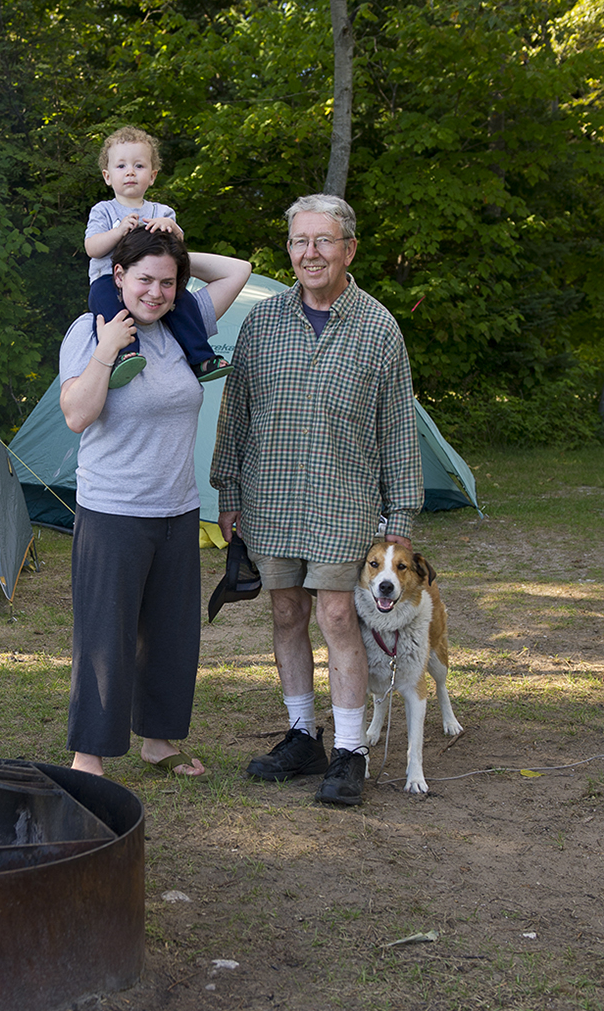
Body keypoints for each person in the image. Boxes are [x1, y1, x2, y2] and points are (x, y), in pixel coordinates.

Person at [210, 193, 423, 808]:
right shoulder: (262, 322)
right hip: (271, 497)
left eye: (323, 241)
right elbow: (238, 413)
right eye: (300, 241)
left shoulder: (379, 327)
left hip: (342, 500)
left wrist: (401, 514)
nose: (310, 253)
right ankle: (304, 736)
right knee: (285, 615)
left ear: (348, 248)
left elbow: (398, 431)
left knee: (335, 617)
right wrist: (229, 489)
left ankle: (350, 750)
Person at [61, 225, 251, 777]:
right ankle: (89, 753)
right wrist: (105, 352)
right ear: (117, 276)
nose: (156, 293)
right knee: (106, 637)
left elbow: (236, 269)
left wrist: (172, 239)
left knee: (171, 633)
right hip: (113, 510)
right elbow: (77, 414)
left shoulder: (183, 323)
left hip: (176, 508)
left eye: (168, 282)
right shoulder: (91, 328)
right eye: (144, 279)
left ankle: (160, 741)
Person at [85, 126, 231, 389]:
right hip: (107, 280)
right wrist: (118, 232)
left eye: (139, 165)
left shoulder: (162, 210)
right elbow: (92, 248)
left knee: (183, 302)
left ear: (152, 176)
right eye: (121, 166)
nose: (130, 171)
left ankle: (202, 358)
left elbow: (176, 251)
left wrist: (173, 230)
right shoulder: (103, 210)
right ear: (107, 176)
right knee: (109, 308)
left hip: (154, 281)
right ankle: (125, 355)